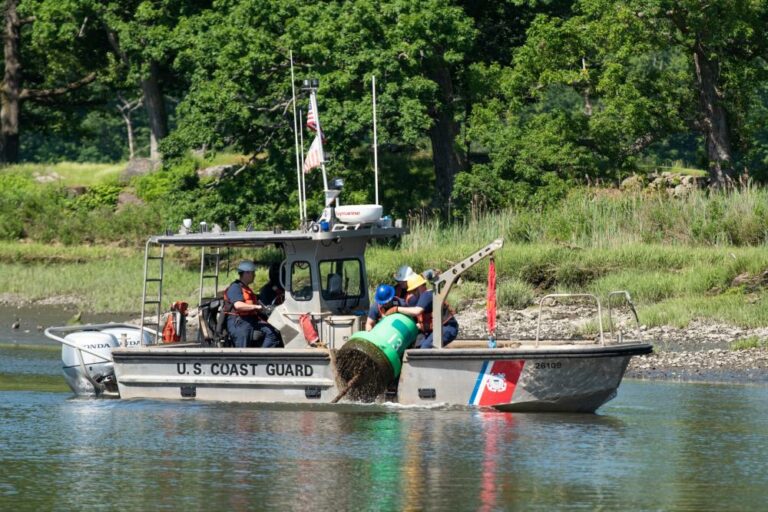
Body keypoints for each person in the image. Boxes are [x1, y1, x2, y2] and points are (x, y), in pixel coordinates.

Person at [389, 274, 458, 349]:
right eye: (412, 291)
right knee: (417, 347)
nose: (413, 293)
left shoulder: (427, 294)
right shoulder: (423, 297)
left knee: (425, 349)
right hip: (436, 329)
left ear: (420, 287)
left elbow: (416, 311)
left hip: (447, 328)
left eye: (415, 290)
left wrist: (396, 309)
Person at [224, 260, 283, 348]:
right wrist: (256, 307)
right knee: (242, 349)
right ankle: (242, 360)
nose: (254, 275)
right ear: (246, 273)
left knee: (272, 333)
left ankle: (261, 358)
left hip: (250, 320)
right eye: (253, 273)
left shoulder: (246, 288)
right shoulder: (235, 287)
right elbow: (238, 305)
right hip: (239, 322)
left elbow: (256, 301)